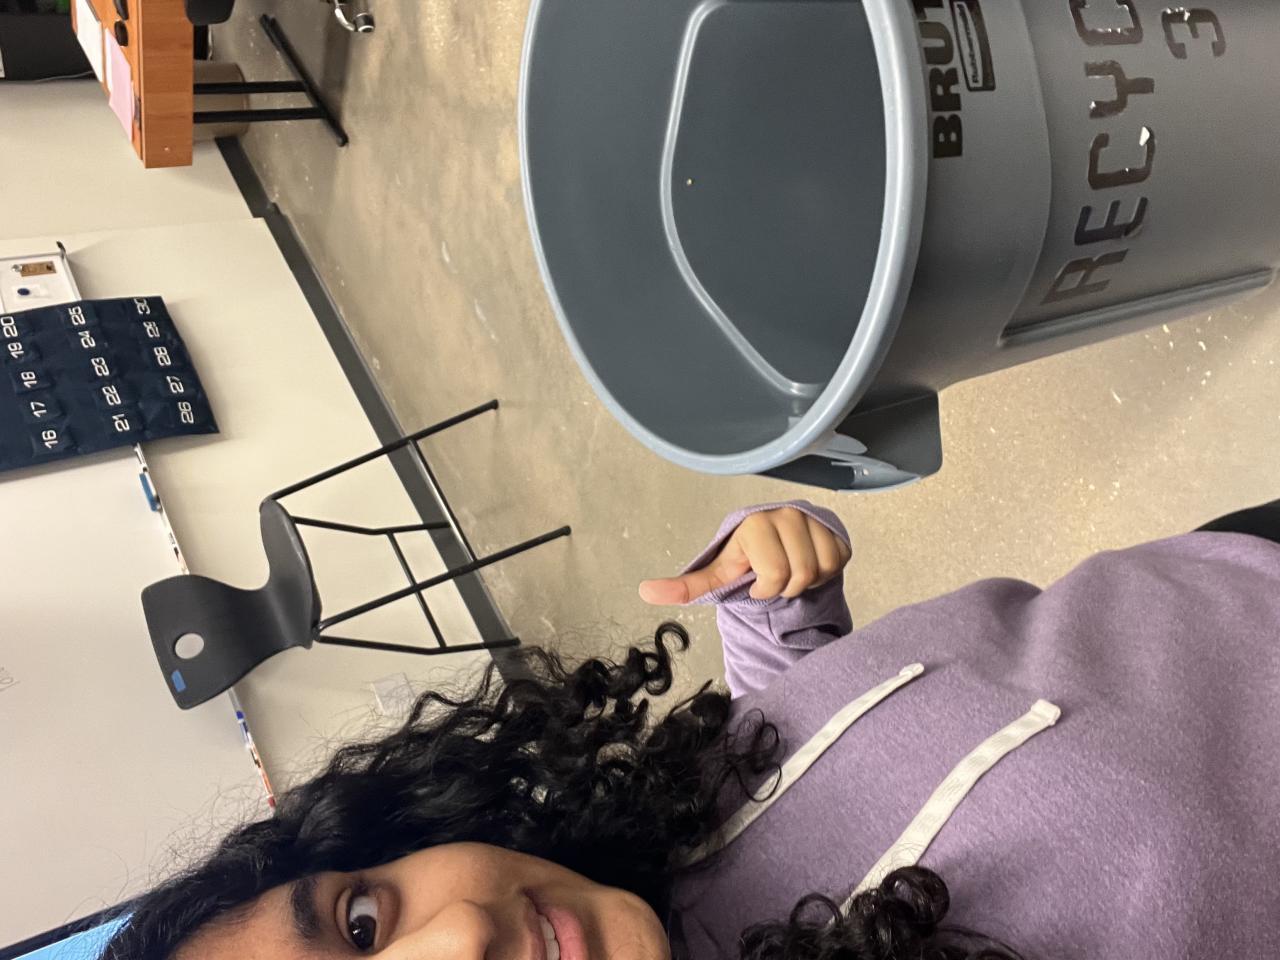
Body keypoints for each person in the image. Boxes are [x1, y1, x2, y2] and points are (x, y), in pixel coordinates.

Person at [102, 501, 1280, 960]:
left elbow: (795, 725)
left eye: (362, 924)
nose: (459, 939)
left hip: (1216, 566)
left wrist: (773, 597)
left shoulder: (650, 832)